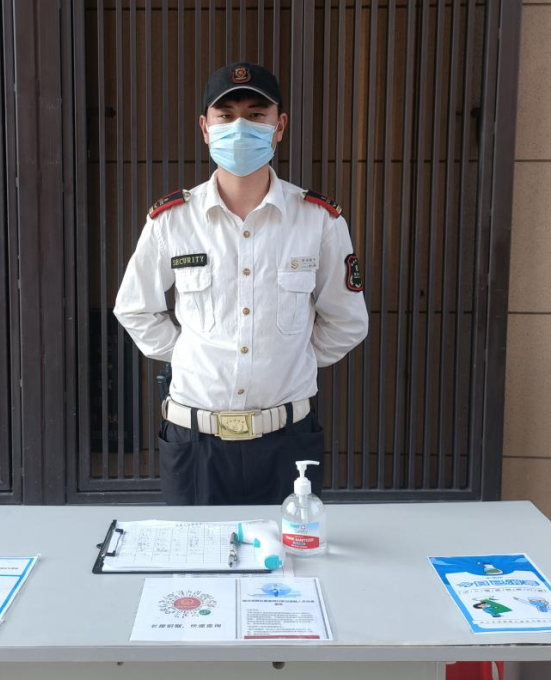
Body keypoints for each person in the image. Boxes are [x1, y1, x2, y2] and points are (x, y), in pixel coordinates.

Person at [113, 61, 369, 505]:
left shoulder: (318, 221)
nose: (239, 127)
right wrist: (190, 353)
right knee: (193, 553)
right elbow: (135, 308)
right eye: (226, 116)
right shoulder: (173, 221)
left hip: (288, 441)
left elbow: (347, 320)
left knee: (292, 551)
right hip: (195, 440)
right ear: (205, 128)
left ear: (279, 126)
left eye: (255, 115)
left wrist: (293, 356)